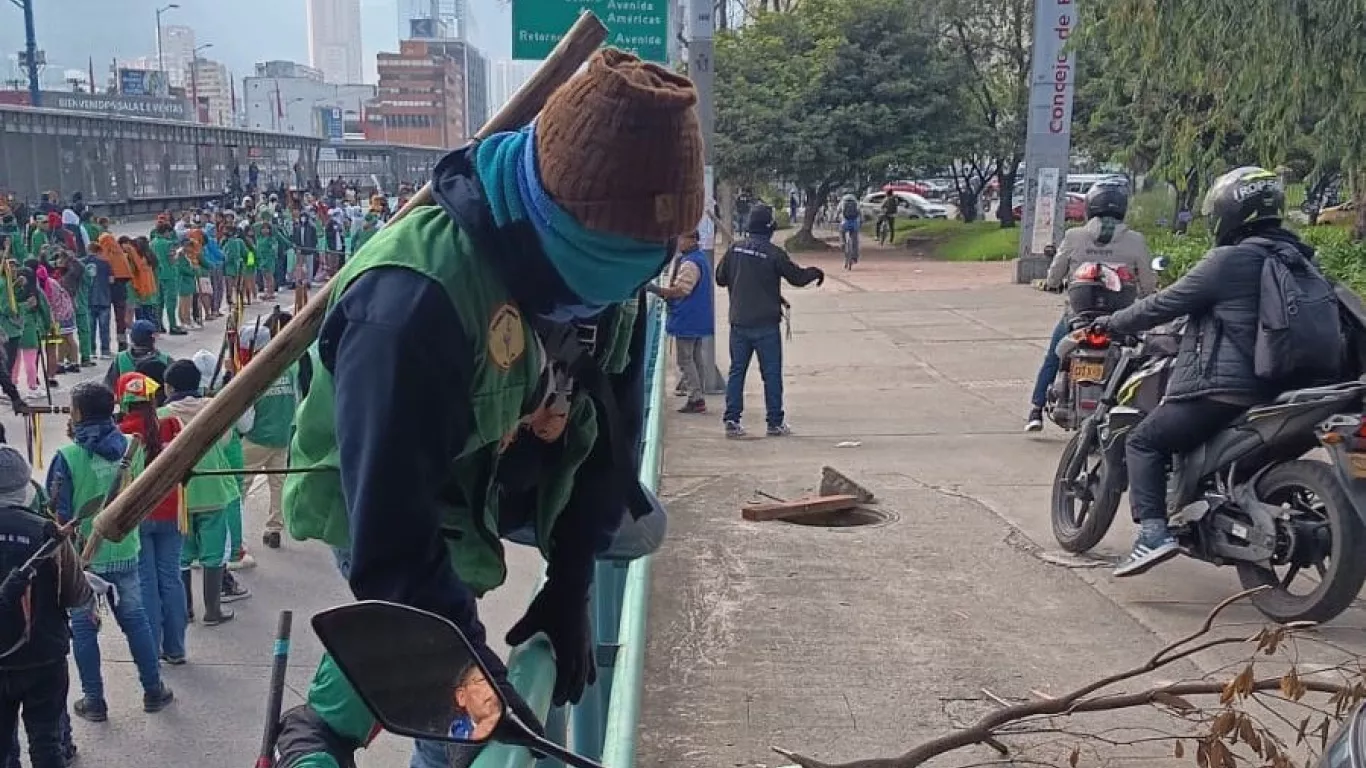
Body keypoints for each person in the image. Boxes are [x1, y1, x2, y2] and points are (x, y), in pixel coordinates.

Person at [272, 49, 699, 768]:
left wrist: (569, 583)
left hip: (503, 458)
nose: (595, 306)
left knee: (637, 528)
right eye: (584, 284)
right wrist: (485, 687)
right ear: (548, 226)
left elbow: (612, 438)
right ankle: (323, 724)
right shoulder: (409, 306)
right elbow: (396, 552)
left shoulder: (616, 264)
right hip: (392, 493)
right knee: (465, 716)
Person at [1090, 167, 1304, 577]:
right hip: (1289, 389)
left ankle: (1153, 534)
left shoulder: (1230, 260)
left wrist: (1111, 323)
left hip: (1225, 391)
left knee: (1143, 442)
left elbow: (1163, 304)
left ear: (1227, 213)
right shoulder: (1299, 260)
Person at [50, 382, 175, 722]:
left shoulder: (69, 457)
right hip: (124, 548)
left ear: (77, 414)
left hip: (82, 560)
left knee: (84, 627)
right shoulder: (129, 447)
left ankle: (94, 701)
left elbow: (57, 514)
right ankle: (153, 690)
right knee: (136, 621)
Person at [1025, 179, 1155, 432]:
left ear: (1090, 207)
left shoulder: (1074, 237)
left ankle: (1036, 410)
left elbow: (1053, 277)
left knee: (1054, 357)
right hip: (1120, 320)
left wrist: (1055, 283)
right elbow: (1149, 285)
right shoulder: (1136, 240)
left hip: (1078, 318)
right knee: (1140, 358)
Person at [0, 443, 89, 768]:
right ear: (25, 488)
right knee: (47, 742)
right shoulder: (47, 533)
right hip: (43, 655)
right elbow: (77, 595)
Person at [715, 203, 824, 439]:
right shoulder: (774, 254)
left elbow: (720, 279)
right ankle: (774, 423)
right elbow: (797, 278)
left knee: (737, 372)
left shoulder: (735, 249)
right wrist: (816, 272)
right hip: (765, 325)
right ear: (770, 229)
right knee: (771, 375)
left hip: (739, 323)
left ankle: (732, 421)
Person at [114, 373, 188, 665]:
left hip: (137, 516)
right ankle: (177, 648)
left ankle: (152, 647)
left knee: (146, 582)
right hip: (172, 512)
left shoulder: (119, 432)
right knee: (171, 579)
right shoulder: (171, 424)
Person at [161, 360, 243, 625]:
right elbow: (227, 439)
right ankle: (212, 610)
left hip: (179, 494)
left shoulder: (162, 415)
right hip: (213, 489)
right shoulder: (215, 407)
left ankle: (185, 610)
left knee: (182, 556)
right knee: (214, 552)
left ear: (168, 387)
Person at [235, 324, 298, 550]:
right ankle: (274, 528)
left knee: (239, 487)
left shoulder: (253, 373)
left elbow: (245, 419)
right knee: (277, 485)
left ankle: (235, 538)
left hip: (256, 437)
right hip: (282, 436)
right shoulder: (287, 368)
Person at [647, 229, 712, 414]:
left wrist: (656, 290)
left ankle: (695, 397)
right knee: (696, 357)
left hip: (687, 317)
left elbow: (681, 290)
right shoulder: (699, 259)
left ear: (691, 240)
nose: (678, 242)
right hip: (698, 316)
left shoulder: (690, 263)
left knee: (685, 359)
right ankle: (698, 394)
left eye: (681, 238)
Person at [104, 320, 171, 392]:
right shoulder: (165, 360)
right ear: (153, 339)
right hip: (159, 402)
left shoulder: (120, 359)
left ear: (132, 338)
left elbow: (108, 387)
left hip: (125, 402)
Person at [12, 269, 50, 397]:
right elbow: (45, 311)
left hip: (14, 328)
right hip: (30, 328)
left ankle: (12, 383)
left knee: (14, 359)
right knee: (30, 360)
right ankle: (32, 386)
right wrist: (47, 326)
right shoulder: (36, 292)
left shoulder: (12, 291)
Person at [838, 193, 862, 266]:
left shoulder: (842, 202)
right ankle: (854, 257)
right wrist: (861, 221)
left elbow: (838, 211)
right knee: (855, 240)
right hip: (854, 224)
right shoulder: (856, 203)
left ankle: (842, 243)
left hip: (845, 223)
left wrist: (835, 218)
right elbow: (860, 213)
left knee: (841, 232)